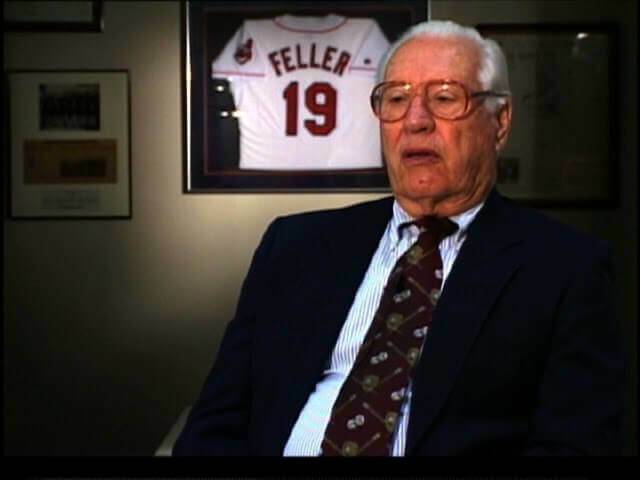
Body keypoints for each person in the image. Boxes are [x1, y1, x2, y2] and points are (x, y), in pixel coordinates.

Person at [174, 20, 624, 456]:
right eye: (395, 99)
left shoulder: (566, 267)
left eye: (445, 98)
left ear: (500, 122)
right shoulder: (293, 246)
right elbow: (215, 423)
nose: (415, 120)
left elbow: (576, 444)